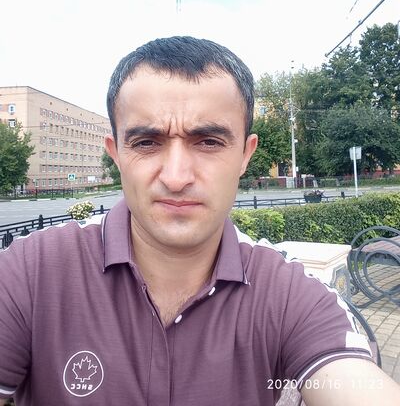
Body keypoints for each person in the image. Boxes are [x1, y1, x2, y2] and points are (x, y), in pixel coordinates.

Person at [0, 36, 399, 406]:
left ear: (245, 155)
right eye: (147, 142)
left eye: (208, 141)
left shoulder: (289, 294)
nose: (176, 177)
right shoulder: (29, 274)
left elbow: (350, 378)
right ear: (116, 153)